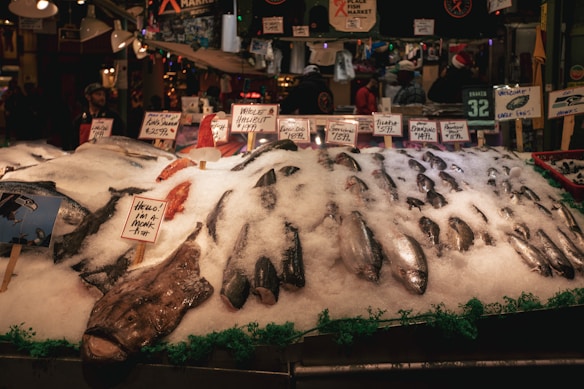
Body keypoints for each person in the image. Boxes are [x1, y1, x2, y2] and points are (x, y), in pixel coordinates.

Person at [69, 83, 126, 150]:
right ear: (88, 97)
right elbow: (74, 144)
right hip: (84, 157)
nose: (102, 98)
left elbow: (121, 141)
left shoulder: (113, 117)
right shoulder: (79, 120)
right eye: (98, 94)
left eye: (103, 95)